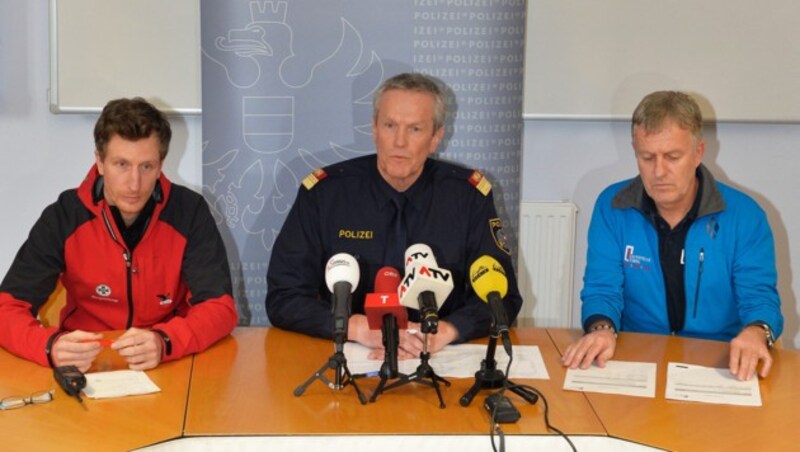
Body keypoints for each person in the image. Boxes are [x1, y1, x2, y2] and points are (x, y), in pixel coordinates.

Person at [266, 73, 522, 359]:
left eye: (415, 129)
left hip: (439, 360)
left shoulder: (468, 198)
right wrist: (355, 327)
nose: (399, 142)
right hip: (350, 356)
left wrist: (448, 331)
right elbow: (283, 297)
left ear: (436, 137)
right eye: (390, 126)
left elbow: (504, 299)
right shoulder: (325, 195)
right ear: (374, 128)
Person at [0, 98, 238, 372]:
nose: (134, 184)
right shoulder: (64, 217)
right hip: (87, 365)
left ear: (161, 165)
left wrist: (165, 342)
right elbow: (7, 308)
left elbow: (220, 308)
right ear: (100, 162)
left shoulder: (189, 212)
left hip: (167, 364)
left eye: (146, 166)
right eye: (121, 164)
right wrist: (49, 346)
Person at [562, 91, 783, 381]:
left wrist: (756, 332)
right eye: (647, 157)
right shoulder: (612, 206)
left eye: (672, 157)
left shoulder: (745, 216)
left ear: (698, 152)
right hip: (634, 358)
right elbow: (602, 290)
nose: (659, 171)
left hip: (720, 361)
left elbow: (759, 299)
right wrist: (602, 329)